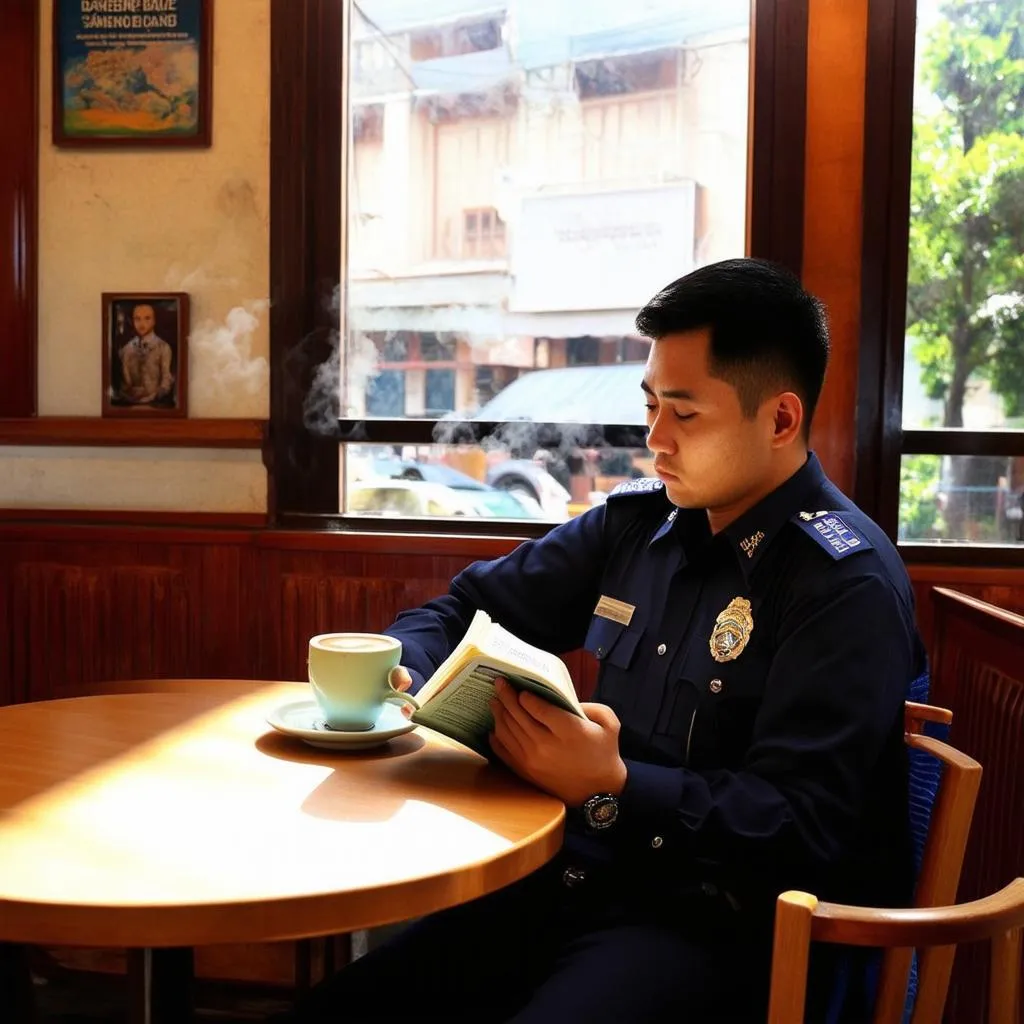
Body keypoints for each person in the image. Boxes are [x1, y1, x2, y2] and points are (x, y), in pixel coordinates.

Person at [282, 258, 926, 1023]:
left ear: (781, 420)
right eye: (651, 405)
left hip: (727, 931)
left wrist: (614, 782)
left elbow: (800, 827)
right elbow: (462, 607)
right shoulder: (639, 526)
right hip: (578, 879)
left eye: (685, 416)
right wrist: (404, 675)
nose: (655, 439)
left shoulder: (841, 584)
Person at [118, 303, 175, 405]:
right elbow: (124, 382)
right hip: (129, 404)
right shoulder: (126, 349)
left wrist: (156, 396)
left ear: (154, 321)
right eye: (137, 319)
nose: (142, 323)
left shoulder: (163, 347)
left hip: (156, 404)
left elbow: (166, 379)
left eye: (147, 318)